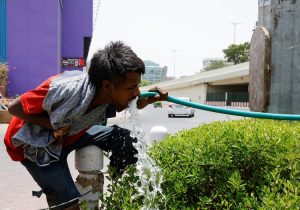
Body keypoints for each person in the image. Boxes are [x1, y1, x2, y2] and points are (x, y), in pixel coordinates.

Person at [4, 41, 168, 210]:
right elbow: (14, 108)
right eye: (132, 87)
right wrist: (51, 125)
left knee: (126, 140)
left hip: (72, 133)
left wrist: (146, 101)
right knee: (68, 204)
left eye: (138, 86)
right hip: (35, 145)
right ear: (107, 86)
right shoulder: (65, 90)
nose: (137, 93)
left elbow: (130, 102)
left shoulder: (106, 93)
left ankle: (117, 187)